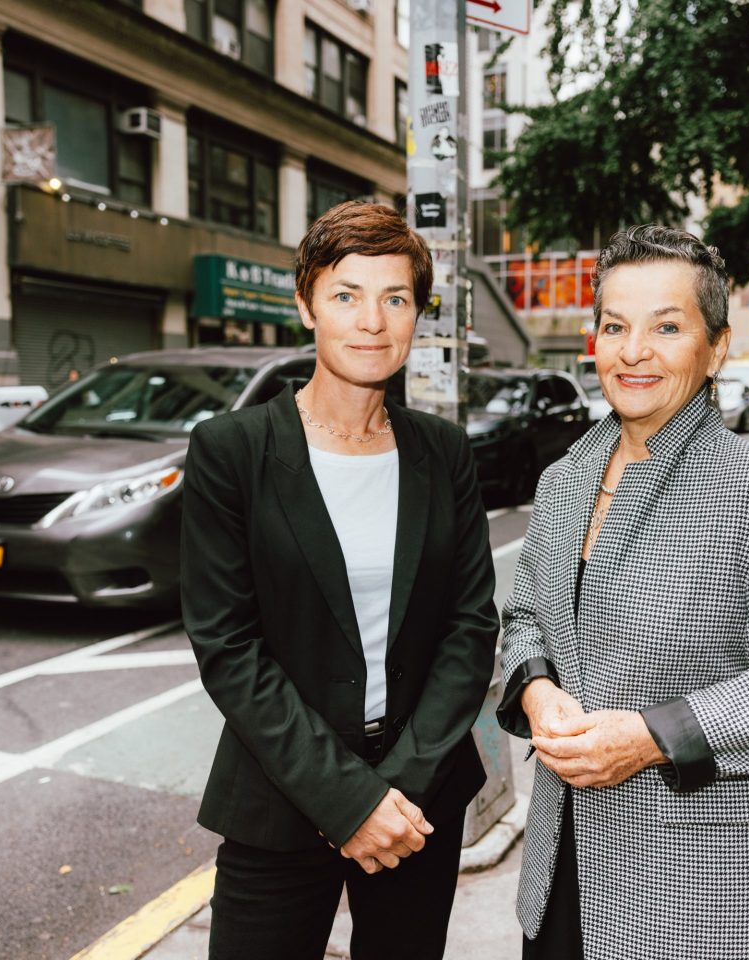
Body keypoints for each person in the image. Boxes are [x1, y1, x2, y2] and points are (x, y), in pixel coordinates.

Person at [497, 225, 749, 960]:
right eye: (615, 326)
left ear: (716, 348)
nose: (634, 351)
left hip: (697, 882)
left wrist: (650, 738)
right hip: (561, 861)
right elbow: (526, 614)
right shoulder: (562, 480)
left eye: (666, 327)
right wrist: (536, 690)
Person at [181, 201, 499, 960]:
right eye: (346, 295)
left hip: (417, 798)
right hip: (280, 792)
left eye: (396, 299)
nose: (372, 322)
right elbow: (229, 647)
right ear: (307, 305)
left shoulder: (443, 451)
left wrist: (398, 790)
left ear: (418, 314)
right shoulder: (232, 451)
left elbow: (470, 626)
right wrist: (350, 800)